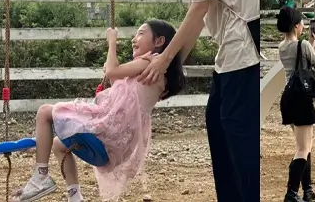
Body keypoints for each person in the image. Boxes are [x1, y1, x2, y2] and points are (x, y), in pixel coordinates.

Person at [124, 0, 260, 202]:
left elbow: (199, 8)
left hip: (243, 42)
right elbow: (197, 20)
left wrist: (163, 60)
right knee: (218, 122)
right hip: (230, 45)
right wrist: (170, 72)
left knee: (236, 129)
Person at [10, 19, 185, 202]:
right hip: (116, 142)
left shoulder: (151, 61)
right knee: (58, 145)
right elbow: (120, 88)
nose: (134, 39)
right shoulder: (153, 71)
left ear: (159, 42)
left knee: (45, 112)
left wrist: (111, 42)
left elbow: (112, 71)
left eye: (141, 33)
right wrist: (113, 71)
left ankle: (40, 177)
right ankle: (74, 196)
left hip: (109, 133)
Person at [277, 5, 315, 202]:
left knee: (305, 145)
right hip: (302, 100)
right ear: (297, 25)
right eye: (302, 23)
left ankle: (307, 189)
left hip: (289, 97)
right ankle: (291, 193)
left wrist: (311, 43)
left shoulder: (282, 47)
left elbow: (302, 58)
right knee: (302, 148)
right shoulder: (303, 45)